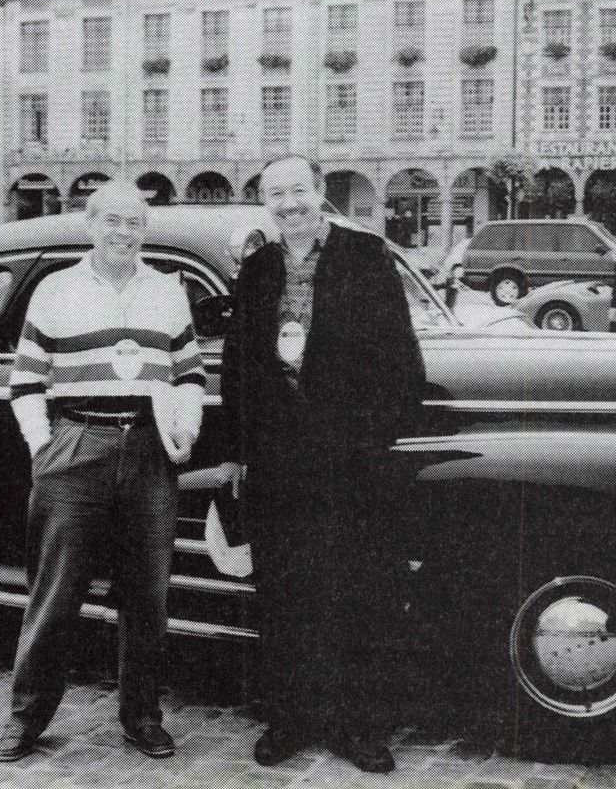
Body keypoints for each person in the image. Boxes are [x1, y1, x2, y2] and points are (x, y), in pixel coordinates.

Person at [218, 154, 425, 774]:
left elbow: (400, 360)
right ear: (267, 203)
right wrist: (239, 449)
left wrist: (372, 440)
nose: (289, 205)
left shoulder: (364, 257)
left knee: (357, 586)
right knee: (284, 589)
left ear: (320, 193)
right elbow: (238, 365)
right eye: (276, 195)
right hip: (279, 458)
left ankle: (357, 725)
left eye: (298, 192)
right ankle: (290, 717)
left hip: (349, 457)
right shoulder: (257, 267)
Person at [0, 181, 205, 763]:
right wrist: (45, 445)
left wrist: (183, 427)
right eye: (111, 221)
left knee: (148, 595)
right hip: (75, 444)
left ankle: (141, 715)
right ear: (90, 225)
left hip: (148, 448)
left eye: (133, 223)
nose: (122, 233)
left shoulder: (167, 291)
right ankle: (27, 715)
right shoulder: (55, 289)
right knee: (56, 592)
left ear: (145, 230)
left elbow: (188, 373)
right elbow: (27, 381)